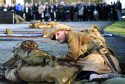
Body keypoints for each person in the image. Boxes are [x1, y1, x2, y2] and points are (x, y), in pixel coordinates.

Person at [49, 24, 121, 81]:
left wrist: (59, 59)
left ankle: (95, 76)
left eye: (58, 34)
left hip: (99, 59)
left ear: (65, 31)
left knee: (73, 68)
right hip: (107, 60)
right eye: (55, 37)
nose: (57, 38)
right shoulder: (75, 35)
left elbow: (73, 56)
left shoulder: (71, 35)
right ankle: (96, 76)